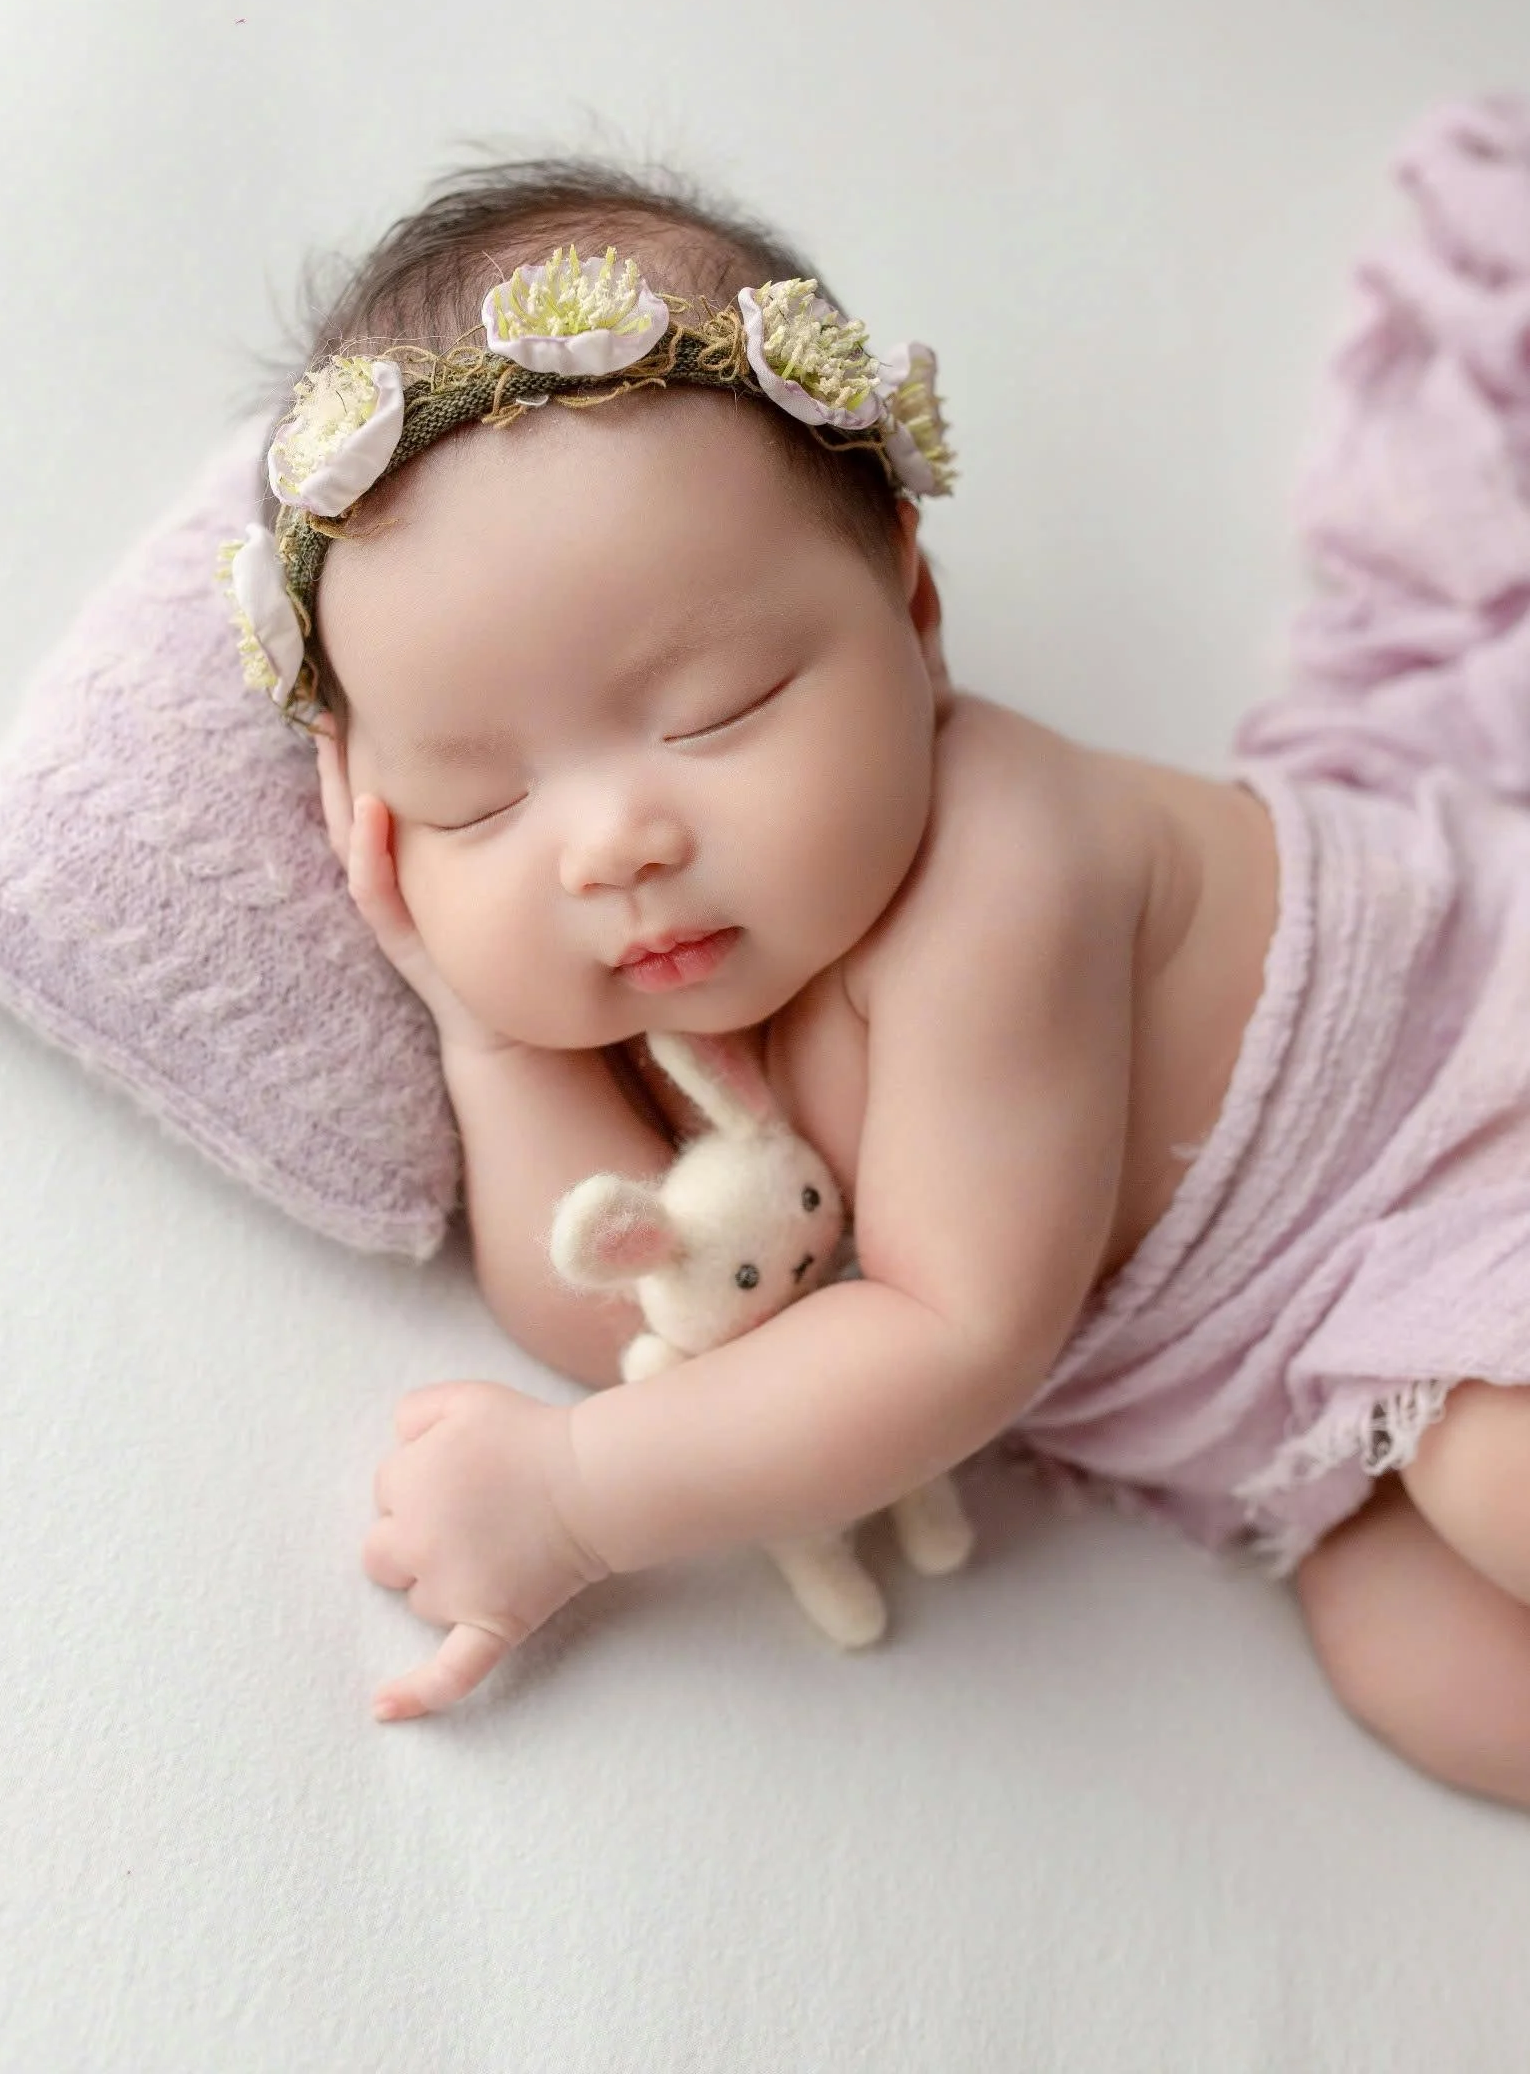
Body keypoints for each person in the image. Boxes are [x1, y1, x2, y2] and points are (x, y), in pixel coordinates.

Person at [220, 157, 1530, 1805]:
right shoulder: (681, 1001)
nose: (612, 843)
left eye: (711, 711)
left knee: (1503, 1476)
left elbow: (948, 1333)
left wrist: (576, 1494)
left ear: (911, 615)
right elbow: (620, 1299)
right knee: (1419, 1668)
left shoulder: (1000, 865)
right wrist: (481, 1024)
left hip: (1467, 1127)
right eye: (479, 805)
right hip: (1335, 1398)